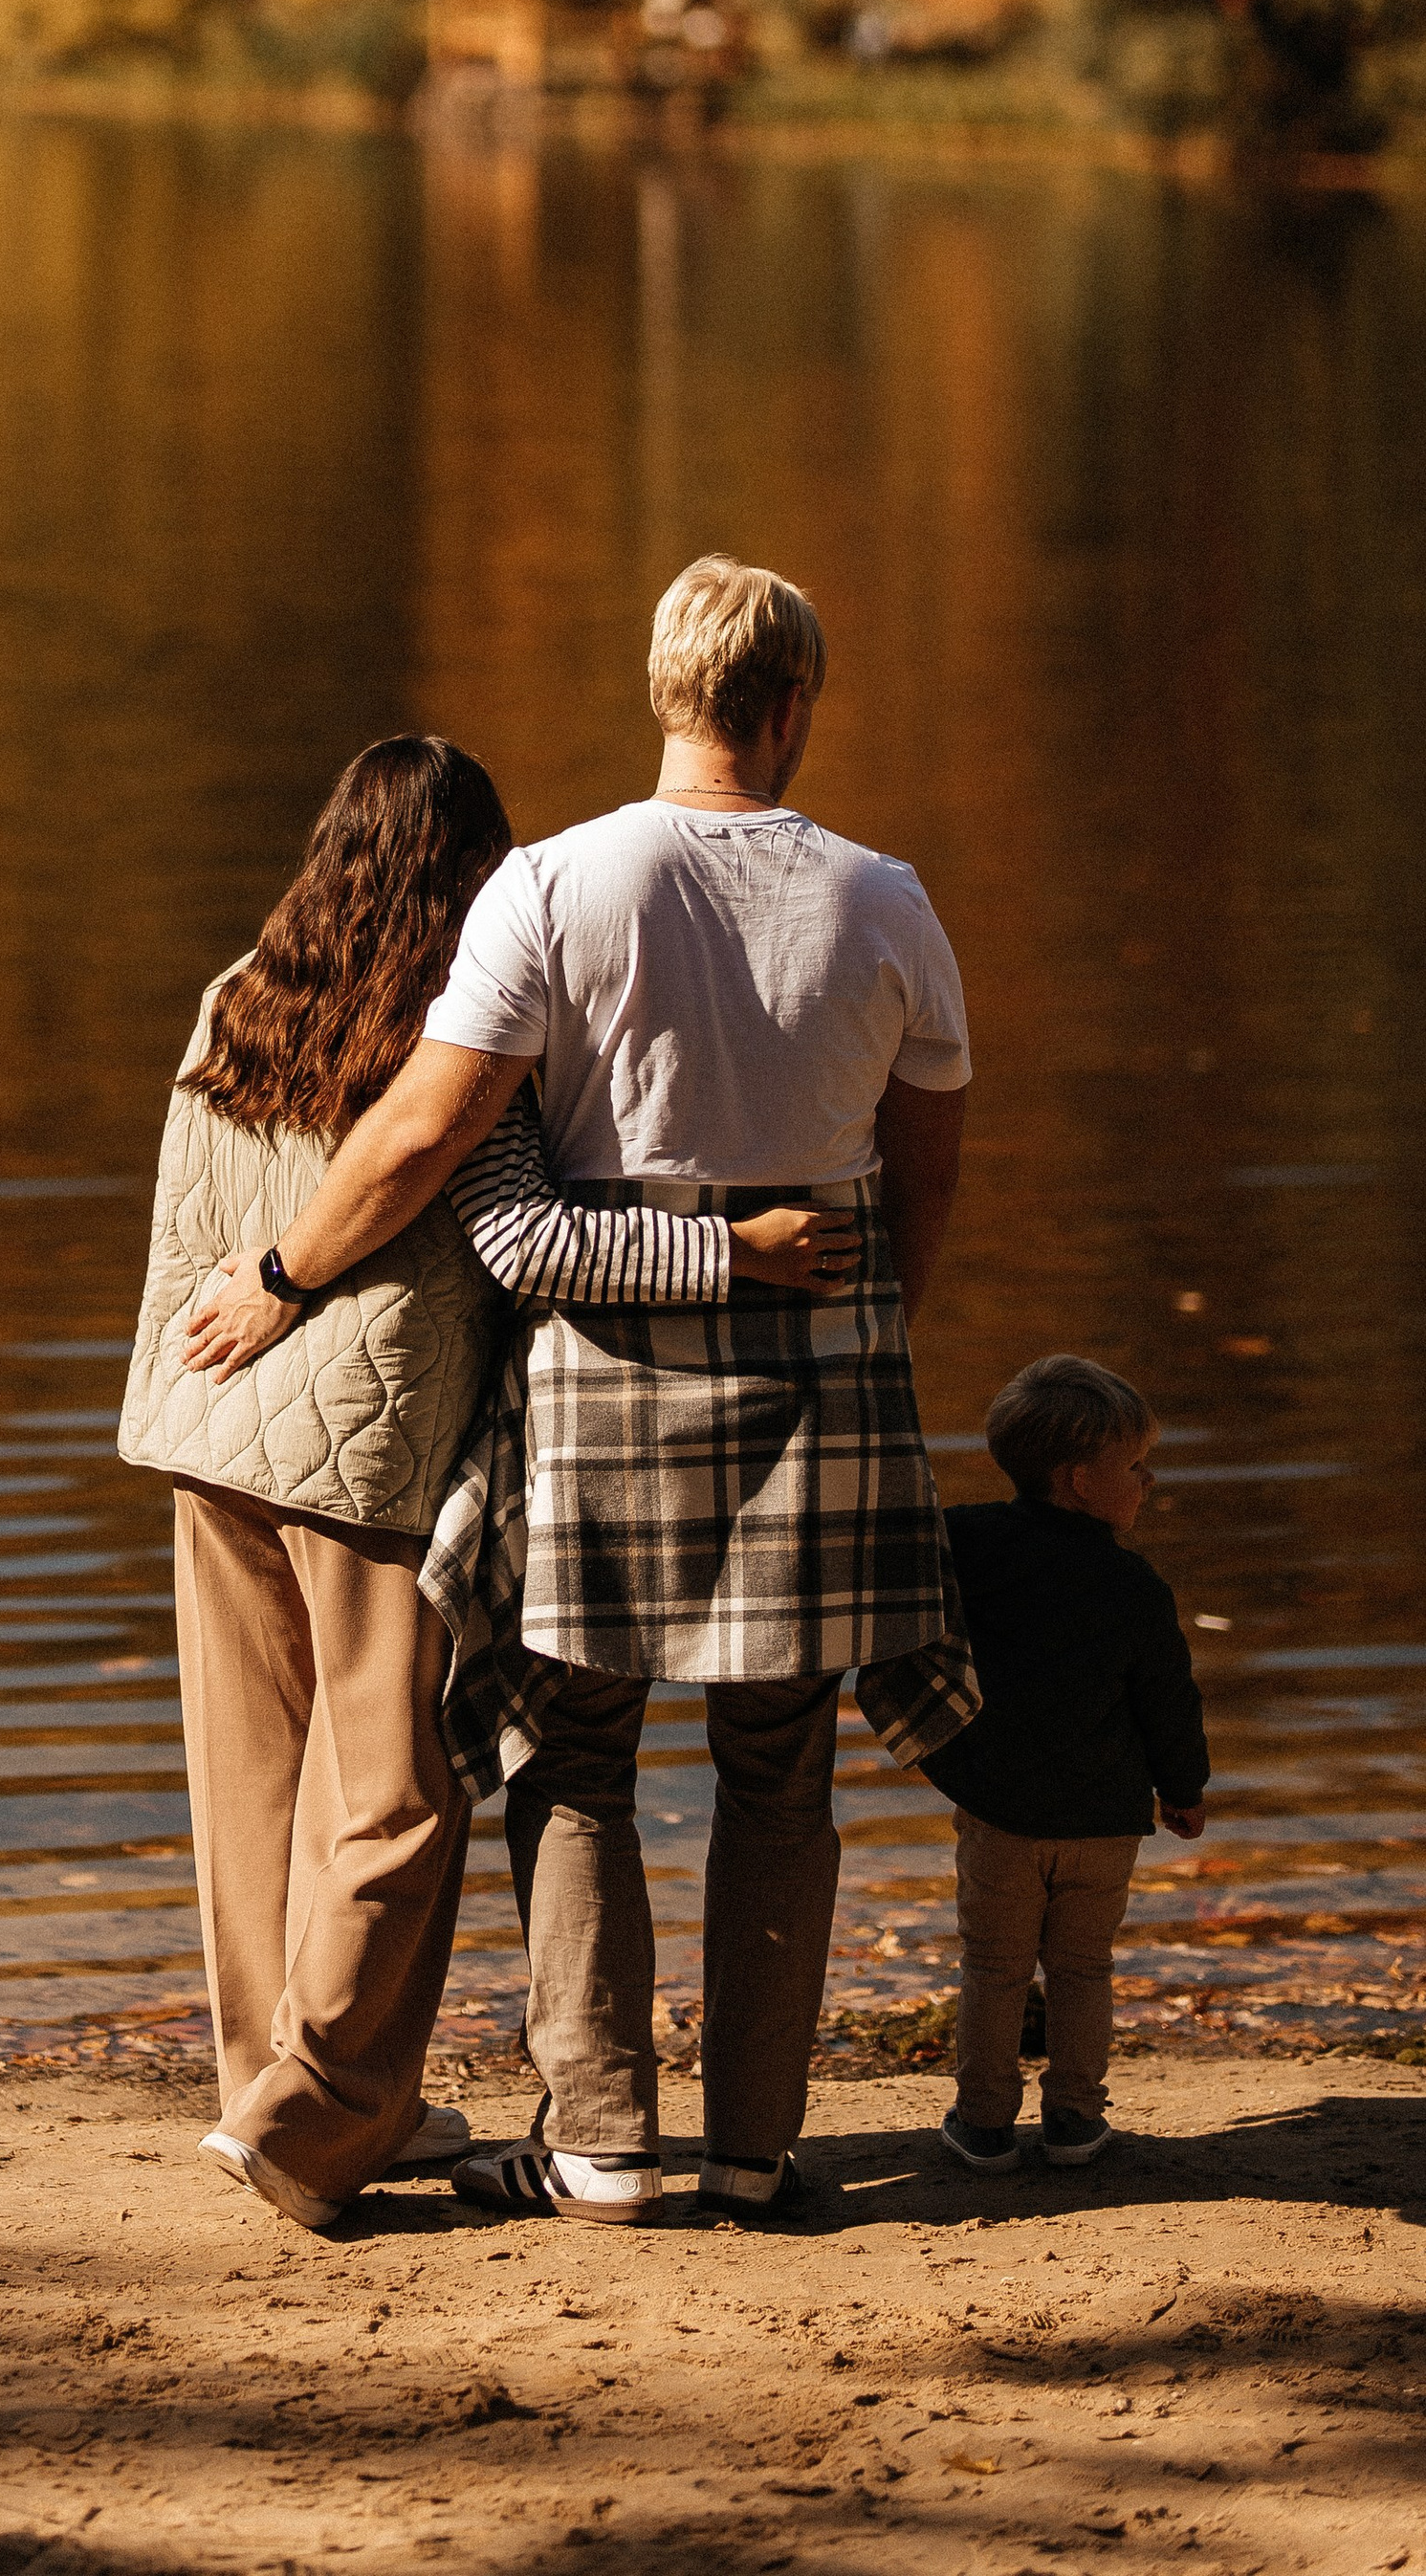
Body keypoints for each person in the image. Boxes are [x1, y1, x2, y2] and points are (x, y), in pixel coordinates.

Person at [185, 555, 976, 2227]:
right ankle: (760, 2153)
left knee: (573, 1758)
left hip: (606, 1380)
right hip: (815, 1370)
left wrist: (276, 1281)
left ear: (671, 697)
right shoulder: (887, 900)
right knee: (782, 1771)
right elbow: (926, 1180)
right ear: (795, 703)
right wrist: (873, 1333)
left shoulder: (551, 886)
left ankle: (604, 2142)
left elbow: (419, 1135)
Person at [928, 1356, 1210, 2171]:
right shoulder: (1134, 1585)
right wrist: (1182, 1791)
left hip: (998, 1813)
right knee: (1084, 1967)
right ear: (1082, 1480)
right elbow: (1168, 1701)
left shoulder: (966, 1542)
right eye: (1135, 1467)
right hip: (1102, 1821)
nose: (1149, 1481)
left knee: (992, 1965)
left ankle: (983, 2122)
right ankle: (1076, 2121)